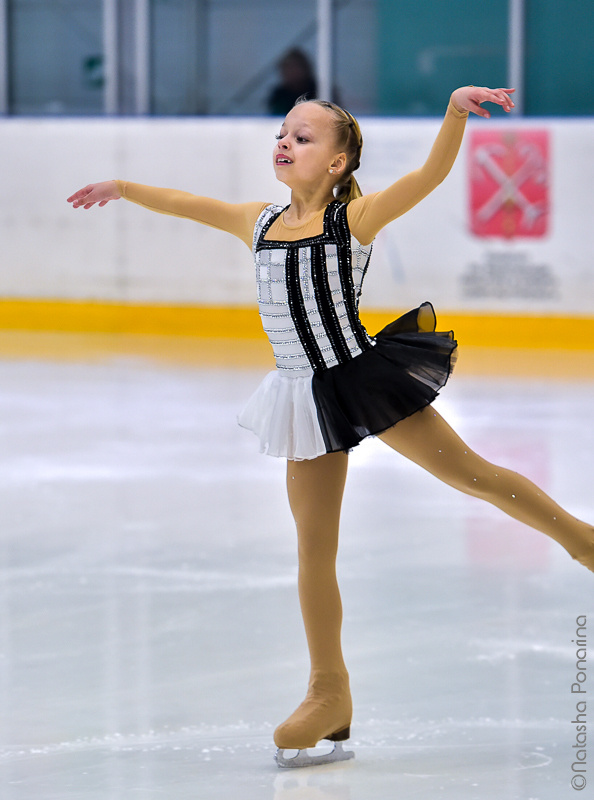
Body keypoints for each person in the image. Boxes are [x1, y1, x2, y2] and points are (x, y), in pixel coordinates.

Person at [67, 85, 594, 768]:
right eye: (283, 133)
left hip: (362, 377)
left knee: (474, 476)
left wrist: (455, 113)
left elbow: (428, 178)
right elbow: (185, 203)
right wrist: (123, 185)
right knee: (314, 550)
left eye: (304, 137)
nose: (285, 142)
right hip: (301, 398)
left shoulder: (356, 221)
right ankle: (329, 693)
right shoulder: (256, 222)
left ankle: (583, 541)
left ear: (339, 162)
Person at [268, 48, 317, 115]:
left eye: (295, 67)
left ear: (305, 69)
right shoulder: (279, 96)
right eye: (288, 68)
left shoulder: (321, 92)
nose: (292, 72)